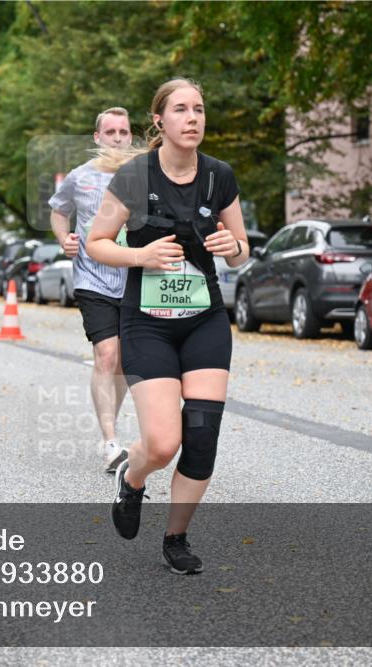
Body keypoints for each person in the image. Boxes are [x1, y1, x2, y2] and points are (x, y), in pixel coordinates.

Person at [86, 78, 249, 574]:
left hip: (204, 321)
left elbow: (242, 251)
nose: (193, 118)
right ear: (159, 121)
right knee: (162, 443)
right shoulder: (135, 176)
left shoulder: (219, 176)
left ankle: (176, 537)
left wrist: (232, 249)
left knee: (201, 439)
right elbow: (97, 242)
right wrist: (141, 254)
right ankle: (132, 482)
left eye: (199, 109)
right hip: (148, 324)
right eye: (181, 109)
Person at [49, 107, 133, 473]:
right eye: (110, 131)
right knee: (107, 355)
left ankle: (107, 426)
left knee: (126, 366)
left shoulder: (143, 176)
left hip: (134, 279)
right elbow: (58, 210)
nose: (117, 137)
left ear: (131, 137)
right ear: (97, 138)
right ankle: (112, 442)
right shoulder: (79, 178)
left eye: (124, 132)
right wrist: (63, 238)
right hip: (92, 278)